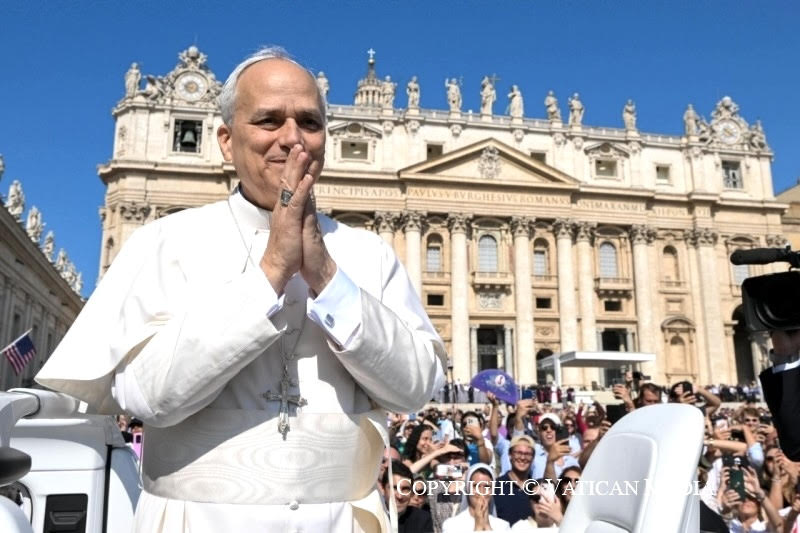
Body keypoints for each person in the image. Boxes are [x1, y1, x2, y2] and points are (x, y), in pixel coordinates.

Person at [36, 46, 446, 533]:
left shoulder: (368, 253)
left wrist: (329, 281)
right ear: (226, 141)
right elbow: (147, 397)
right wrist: (272, 270)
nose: (292, 139)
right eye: (269, 120)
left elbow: (416, 388)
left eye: (309, 123)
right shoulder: (165, 241)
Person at [442, 463, 511, 532]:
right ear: (468, 489)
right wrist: (478, 527)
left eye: (487, 487)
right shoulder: (451, 525)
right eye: (476, 486)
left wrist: (487, 527)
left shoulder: (503, 526)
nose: (481, 491)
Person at [381, 460, 434, 533]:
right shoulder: (370, 516)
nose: (399, 496)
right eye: (394, 488)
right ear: (383, 489)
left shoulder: (422, 519)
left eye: (405, 489)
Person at [495, 435, 537, 525]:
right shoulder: (496, 486)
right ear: (510, 455)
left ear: (533, 458)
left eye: (527, 454)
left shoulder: (537, 489)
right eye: (518, 453)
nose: (522, 458)